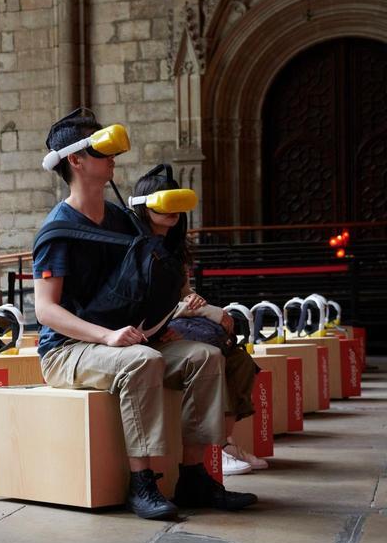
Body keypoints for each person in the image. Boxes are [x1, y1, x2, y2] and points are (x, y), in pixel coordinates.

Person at [31, 108, 256, 520]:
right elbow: (45, 310)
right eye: (102, 150)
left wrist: (164, 322)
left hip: (128, 340)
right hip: (68, 351)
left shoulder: (122, 220)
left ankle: (193, 475)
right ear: (75, 161)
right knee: (142, 361)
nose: (113, 158)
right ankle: (143, 482)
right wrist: (106, 337)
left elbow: (152, 280)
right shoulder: (57, 230)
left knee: (204, 357)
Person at [129, 164, 266, 476]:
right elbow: (138, 306)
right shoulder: (132, 248)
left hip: (172, 326)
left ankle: (224, 444)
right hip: (148, 333)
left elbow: (183, 298)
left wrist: (206, 309)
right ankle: (208, 455)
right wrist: (196, 312)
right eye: (166, 203)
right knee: (210, 353)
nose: (174, 211)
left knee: (240, 361)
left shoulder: (174, 251)